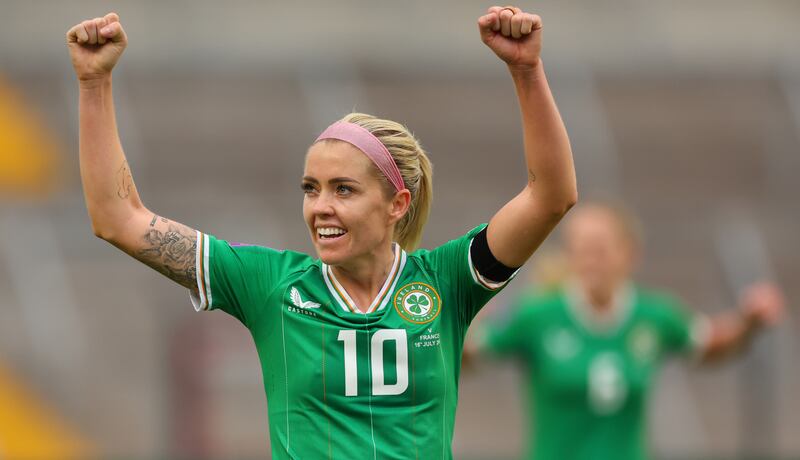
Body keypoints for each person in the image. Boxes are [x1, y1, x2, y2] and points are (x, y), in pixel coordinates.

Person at [66, 6, 577, 459]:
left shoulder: (448, 281)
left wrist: (526, 70)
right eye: (311, 188)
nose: (320, 208)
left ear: (397, 204)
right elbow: (119, 218)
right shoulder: (268, 283)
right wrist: (93, 84)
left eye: (344, 190)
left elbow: (551, 197)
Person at [469, 202, 785, 460]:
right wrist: (461, 320)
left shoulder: (654, 316)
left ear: (629, 253)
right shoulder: (538, 315)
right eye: (580, 249)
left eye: (600, 249)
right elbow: (472, 354)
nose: (590, 260)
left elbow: (709, 344)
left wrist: (748, 323)